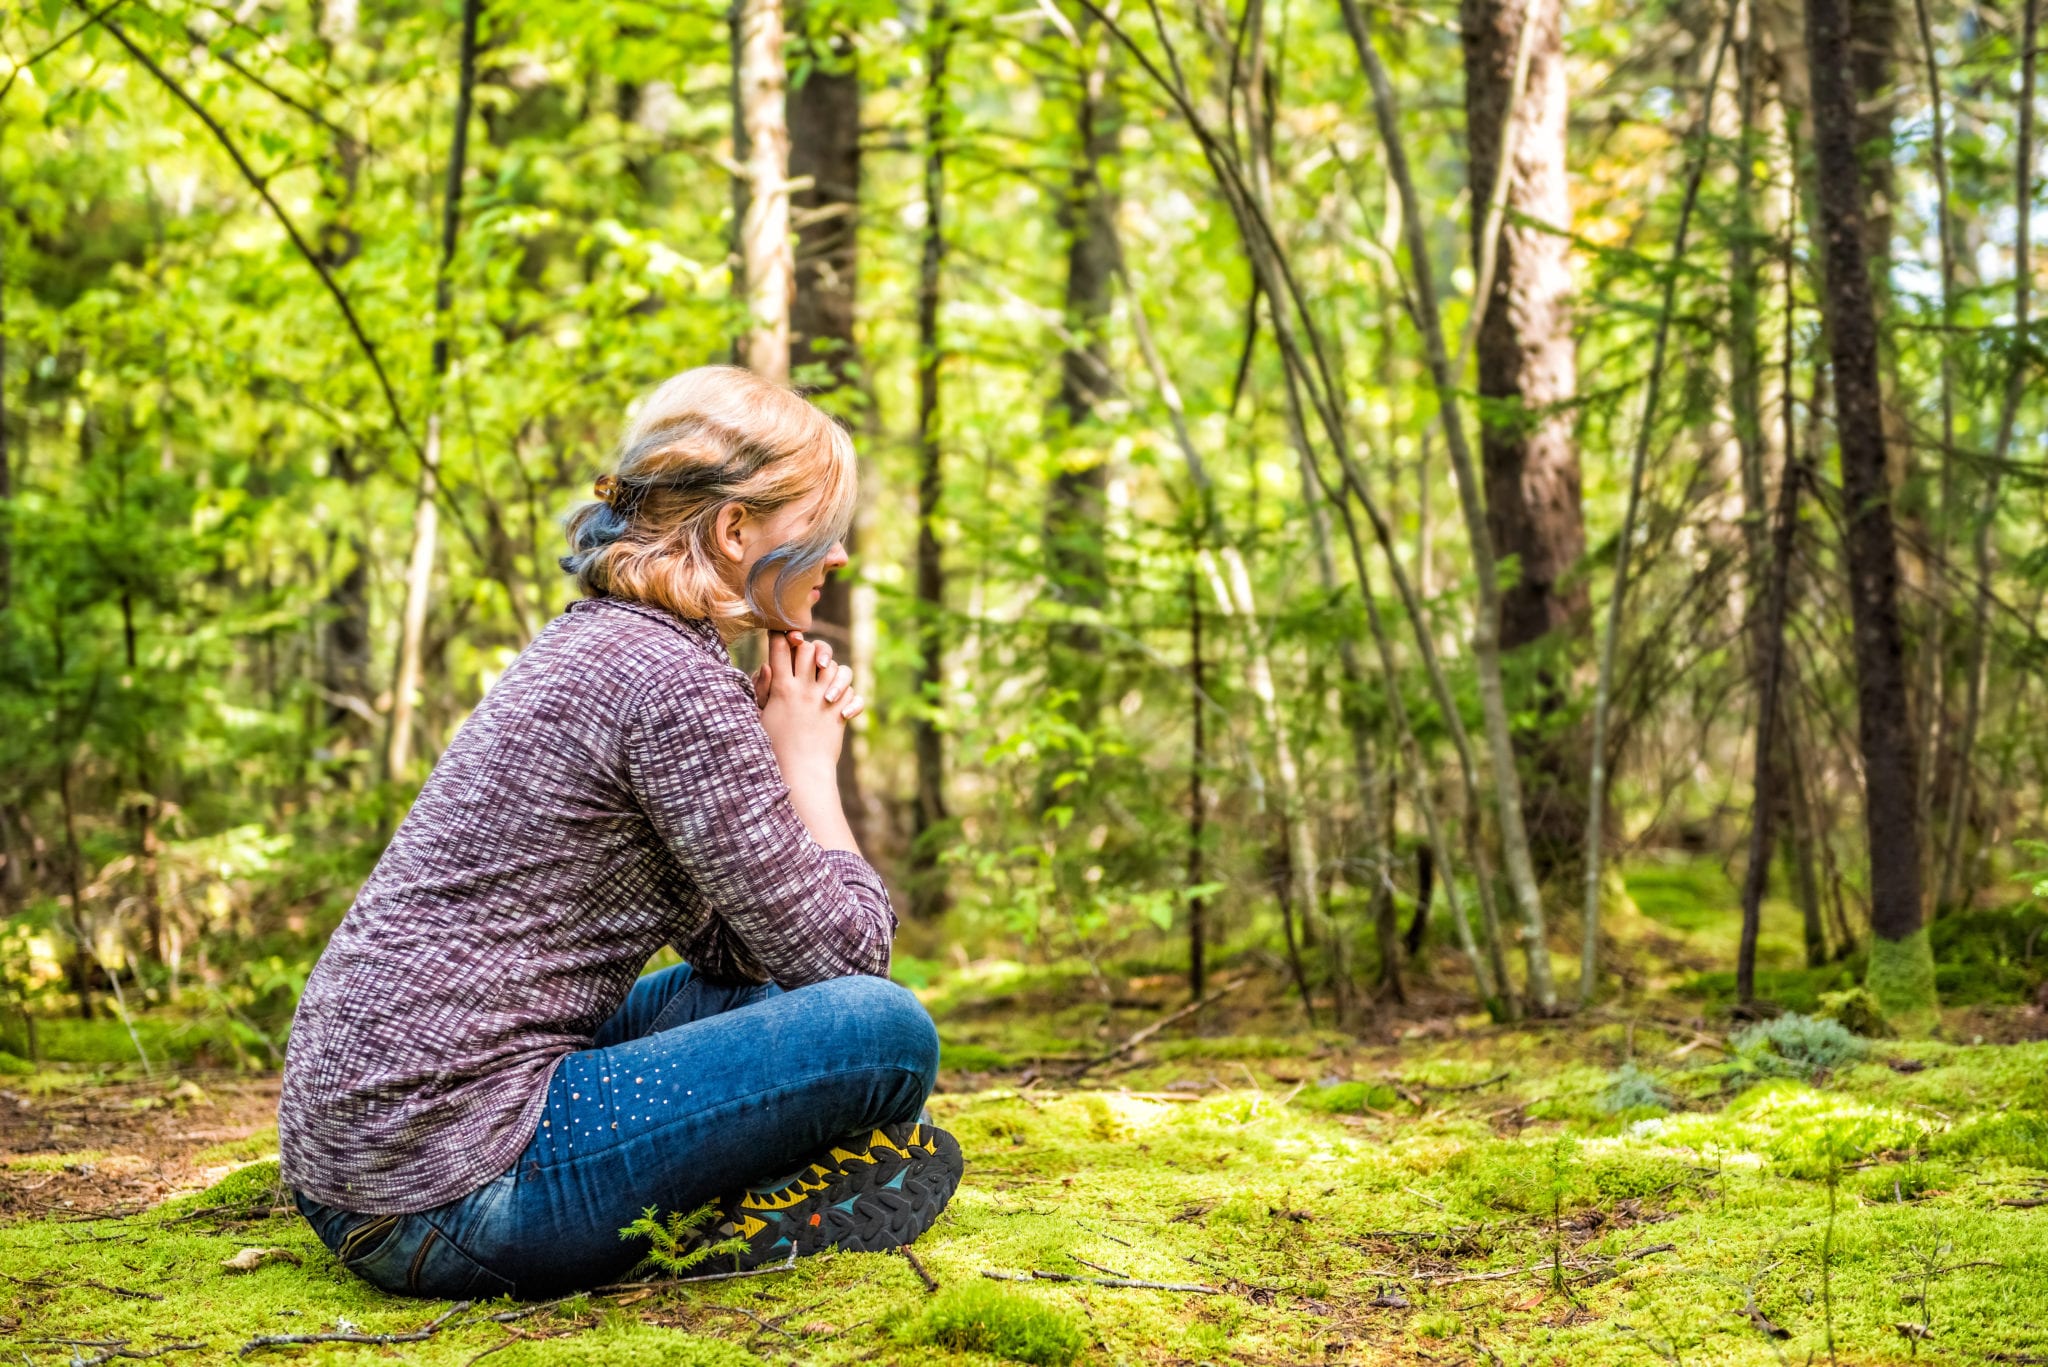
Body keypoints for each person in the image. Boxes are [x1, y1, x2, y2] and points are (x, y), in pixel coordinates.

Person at [277, 366, 961, 1300]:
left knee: (753, 988)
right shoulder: (669, 680)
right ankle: (720, 1215)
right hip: (451, 1189)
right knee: (885, 1031)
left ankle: (737, 1193)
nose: (839, 556)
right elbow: (846, 961)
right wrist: (806, 764)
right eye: (823, 529)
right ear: (734, 531)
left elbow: (735, 947)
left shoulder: (608, 640)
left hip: (367, 1160)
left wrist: (758, 766)